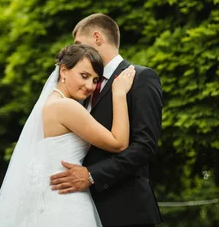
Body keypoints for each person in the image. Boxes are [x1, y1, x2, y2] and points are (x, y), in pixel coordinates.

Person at [0, 43, 136, 227]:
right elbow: (119, 143)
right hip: (66, 202)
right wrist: (119, 94)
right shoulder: (66, 107)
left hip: (52, 199)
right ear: (64, 71)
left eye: (95, 80)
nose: (90, 85)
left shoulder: (52, 102)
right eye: (84, 76)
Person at [50, 13, 163, 227]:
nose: (75, 51)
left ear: (97, 37)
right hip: (79, 208)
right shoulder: (80, 87)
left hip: (126, 209)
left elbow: (145, 146)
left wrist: (92, 175)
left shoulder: (142, 78)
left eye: (78, 44)